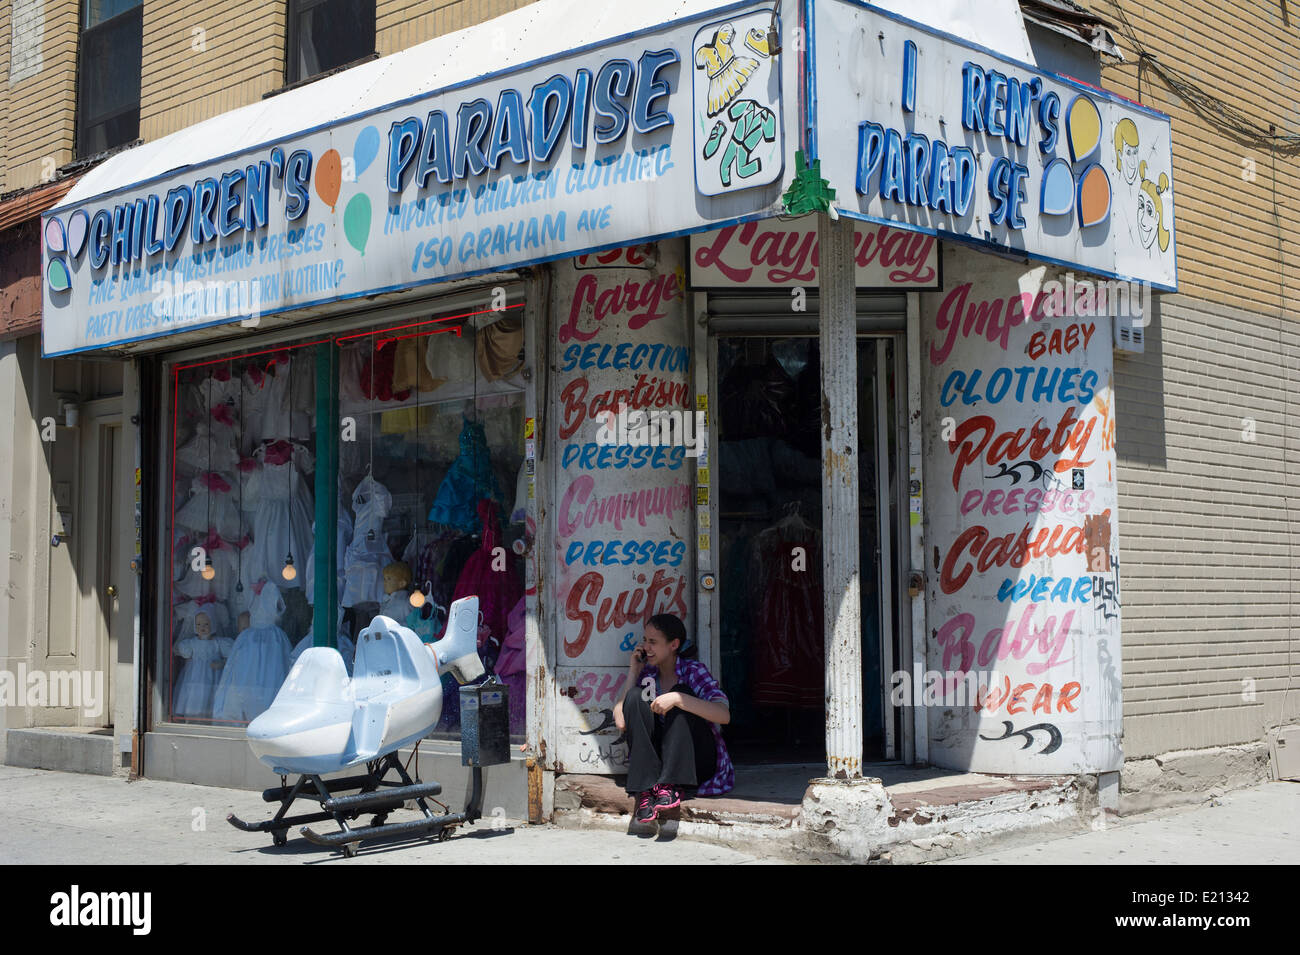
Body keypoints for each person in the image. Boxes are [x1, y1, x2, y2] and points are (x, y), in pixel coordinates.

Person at [612, 613, 735, 824]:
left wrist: (679, 699)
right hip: (658, 766)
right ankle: (646, 790)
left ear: (673, 644)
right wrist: (634, 672)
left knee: (681, 692)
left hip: (696, 764)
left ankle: (671, 785)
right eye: (645, 641)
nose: (646, 647)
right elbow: (622, 722)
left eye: (653, 642)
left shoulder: (693, 671)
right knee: (635, 695)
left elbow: (723, 715)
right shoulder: (647, 675)